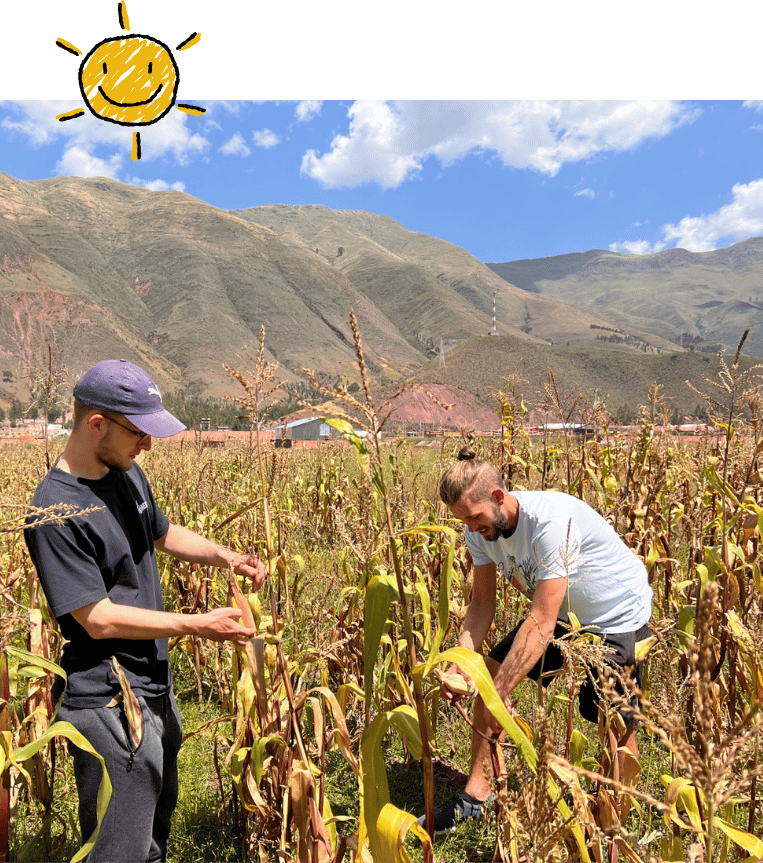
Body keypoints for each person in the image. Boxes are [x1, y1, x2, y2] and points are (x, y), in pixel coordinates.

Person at [24, 359, 267, 863]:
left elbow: (162, 532)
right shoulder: (54, 512)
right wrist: (196, 625)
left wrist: (225, 555)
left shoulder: (126, 473)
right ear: (97, 424)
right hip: (109, 698)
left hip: (154, 683)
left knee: (155, 833)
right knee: (119, 848)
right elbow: (98, 618)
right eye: (139, 433)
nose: (148, 445)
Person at [419, 448, 653, 835]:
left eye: (474, 517)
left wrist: (499, 694)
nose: (470, 529)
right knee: (487, 673)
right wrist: (462, 661)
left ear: (498, 497)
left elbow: (541, 622)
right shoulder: (479, 531)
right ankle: (476, 799)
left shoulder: (549, 523)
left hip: (616, 615)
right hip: (563, 614)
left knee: (612, 721)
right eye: (462, 521)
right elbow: (482, 603)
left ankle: (616, 820)